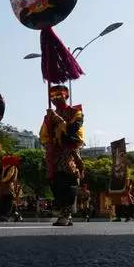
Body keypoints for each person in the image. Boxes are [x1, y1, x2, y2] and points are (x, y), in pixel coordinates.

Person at [40, 85, 85, 226]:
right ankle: (66, 213)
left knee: (68, 181)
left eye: (58, 96)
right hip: (54, 152)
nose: (54, 99)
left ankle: (66, 214)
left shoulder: (75, 112)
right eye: (52, 97)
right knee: (55, 184)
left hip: (69, 149)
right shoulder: (48, 115)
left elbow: (73, 131)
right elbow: (44, 135)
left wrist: (58, 119)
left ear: (66, 95)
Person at [0, 155, 22, 222]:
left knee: (7, 201)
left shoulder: (12, 167)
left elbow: (9, 176)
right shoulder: (3, 167)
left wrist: (1, 181)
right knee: (7, 201)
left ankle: (5, 216)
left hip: (9, 186)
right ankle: (16, 215)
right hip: (3, 187)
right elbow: (0, 176)